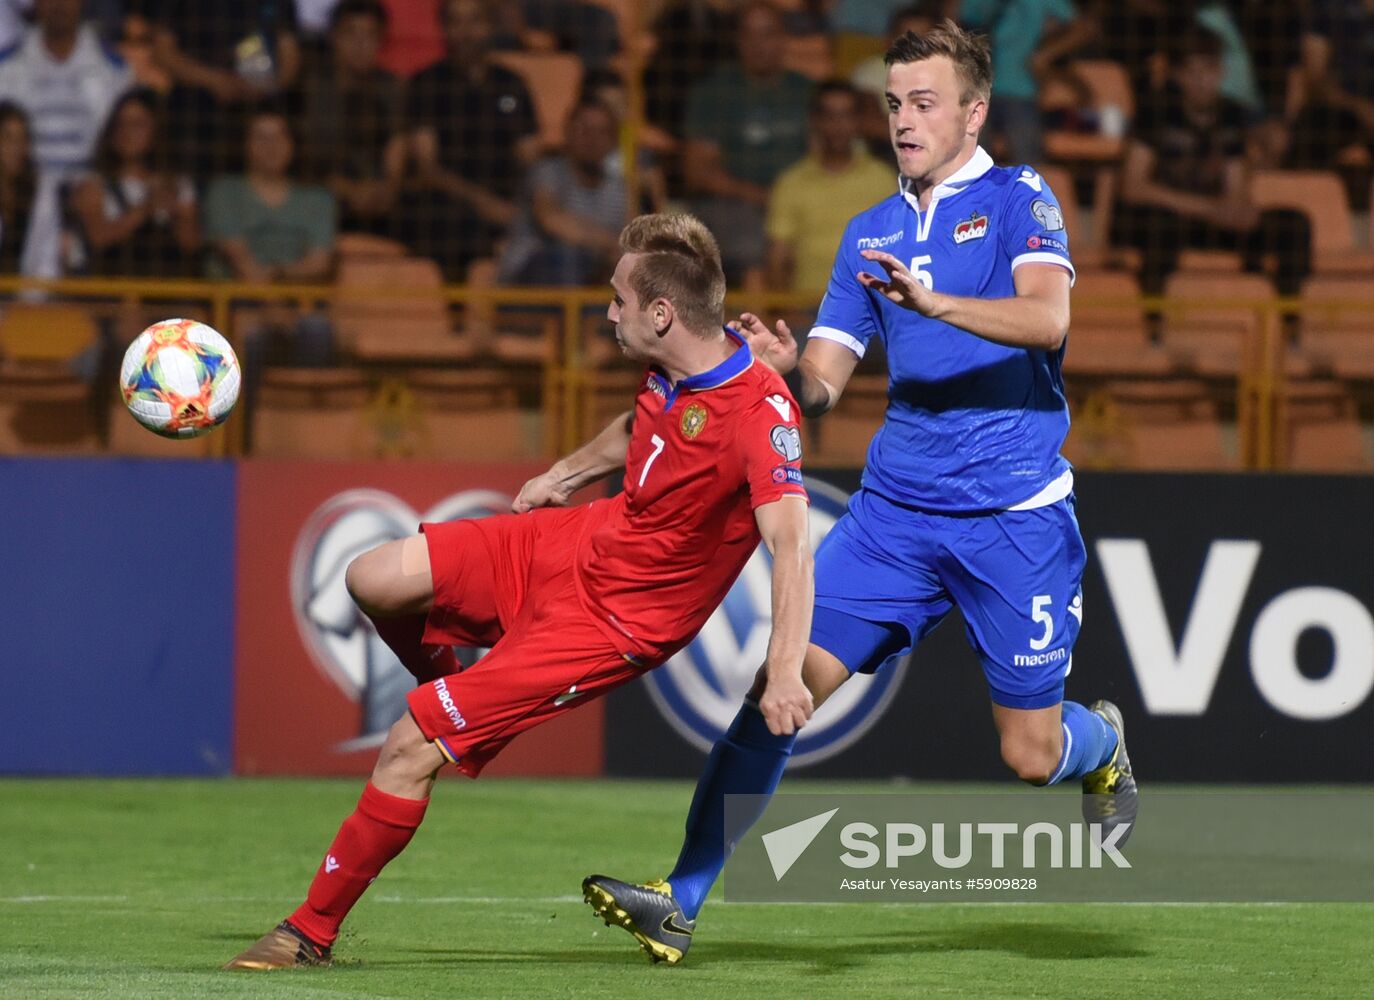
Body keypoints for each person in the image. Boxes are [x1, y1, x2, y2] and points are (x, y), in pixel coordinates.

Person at [582, 21, 1136, 966]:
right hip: (894, 521)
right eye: (893, 103)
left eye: (924, 102)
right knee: (776, 689)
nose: (903, 121)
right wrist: (788, 375)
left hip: (1013, 522)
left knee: (1031, 758)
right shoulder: (870, 232)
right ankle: (678, 899)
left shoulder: (1018, 199)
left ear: (974, 110)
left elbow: (1048, 320)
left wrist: (934, 303)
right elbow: (826, 388)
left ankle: (1104, 746)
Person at [222, 212, 815, 970]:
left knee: (406, 746)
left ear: (661, 313)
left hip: (614, 621)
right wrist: (565, 474)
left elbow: (793, 545)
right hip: (576, 543)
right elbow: (641, 428)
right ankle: (454, 690)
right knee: (371, 577)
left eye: (618, 300)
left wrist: (787, 667)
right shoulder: (691, 357)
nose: (608, 314)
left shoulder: (761, 416)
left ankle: (308, 933)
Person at [1112, 27, 1311, 296]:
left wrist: (1239, 210)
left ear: (1221, 73)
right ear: (1178, 76)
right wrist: (1206, 208)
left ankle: (1287, 318)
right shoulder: (1154, 113)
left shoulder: (1231, 115)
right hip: (1163, 220)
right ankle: (1154, 321)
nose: (1201, 81)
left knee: (1293, 225)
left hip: (1210, 221)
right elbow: (1133, 187)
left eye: (1209, 71)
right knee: (1160, 226)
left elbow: (1236, 184)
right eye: (1192, 72)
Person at [400, 0, 538, 280]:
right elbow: (428, 168)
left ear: (489, 26)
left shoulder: (512, 83)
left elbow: (530, 159)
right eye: (456, 22)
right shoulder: (426, 84)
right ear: (444, 28)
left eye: (474, 21)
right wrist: (485, 204)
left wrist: (520, 209)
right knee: (454, 227)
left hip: (507, 203)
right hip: (449, 208)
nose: (465, 31)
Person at [682, 0, 813, 281]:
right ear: (737, 41)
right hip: (732, 205)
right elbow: (698, 172)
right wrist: (759, 196)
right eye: (749, 35)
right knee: (755, 241)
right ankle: (763, 320)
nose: (758, 44)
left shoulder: (805, 91)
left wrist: (789, 200)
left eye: (768, 33)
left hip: (800, 201)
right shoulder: (713, 93)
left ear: (783, 39)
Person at [0, 0, 131, 276]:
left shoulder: (115, 69)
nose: (59, 5)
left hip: (92, 195)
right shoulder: (6, 67)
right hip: (18, 195)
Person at [765, 80, 894, 294]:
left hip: (870, 305)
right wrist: (785, 312)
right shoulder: (791, 183)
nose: (838, 125)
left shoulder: (884, 179)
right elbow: (777, 260)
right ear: (814, 121)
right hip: (807, 311)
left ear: (858, 121)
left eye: (846, 115)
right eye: (829, 116)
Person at [298, 0, 406, 235]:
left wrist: (388, 188)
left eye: (370, 36)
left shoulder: (391, 87)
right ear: (333, 37)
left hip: (381, 198)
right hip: (322, 194)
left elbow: (396, 143)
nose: (360, 45)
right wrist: (348, 190)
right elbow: (303, 159)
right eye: (351, 34)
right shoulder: (309, 87)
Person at [69, 88, 199, 278]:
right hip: (112, 289)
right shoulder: (93, 184)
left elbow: (191, 244)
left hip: (165, 289)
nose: (127, 133)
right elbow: (99, 237)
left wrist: (175, 212)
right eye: (121, 124)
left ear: (156, 130)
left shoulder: (178, 183)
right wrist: (145, 209)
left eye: (138, 125)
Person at [499, 99, 628, 286]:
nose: (592, 140)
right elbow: (550, 219)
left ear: (613, 141)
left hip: (589, 276)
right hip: (525, 281)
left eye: (602, 132)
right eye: (584, 130)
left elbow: (627, 243)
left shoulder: (617, 189)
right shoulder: (547, 171)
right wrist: (609, 242)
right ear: (567, 133)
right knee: (567, 256)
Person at [0, 100, 38, 274]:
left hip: (26, 298)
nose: (16, 148)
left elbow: (44, 263)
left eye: (22, 139)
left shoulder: (38, 195)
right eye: (7, 138)